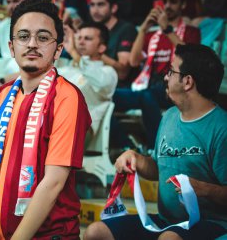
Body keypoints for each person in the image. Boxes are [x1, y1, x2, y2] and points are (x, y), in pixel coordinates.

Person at [0, 0, 91, 239]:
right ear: (11, 47)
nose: (32, 44)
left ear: (58, 49)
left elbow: (54, 182)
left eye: (43, 37)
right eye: (23, 36)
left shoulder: (67, 97)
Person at [84, 44, 227, 240]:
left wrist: (205, 189)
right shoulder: (169, 116)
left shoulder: (221, 127)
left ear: (187, 81)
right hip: (165, 221)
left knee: (169, 238)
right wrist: (136, 159)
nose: (166, 77)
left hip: (212, 224)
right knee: (96, 232)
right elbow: (158, 170)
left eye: (171, 71)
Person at [114, 0, 201, 149]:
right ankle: (128, 147)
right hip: (149, 86)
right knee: (108, 97)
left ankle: (158, 149)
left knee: (147, 95)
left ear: (182, 4)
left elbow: (191, 57)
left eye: (173, 2)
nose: (167, 6)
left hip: (175, 86)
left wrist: (167, 29)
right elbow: (133, 61)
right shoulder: (153, 34)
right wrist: (142, 30)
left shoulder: (191, 31)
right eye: (164, 2)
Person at [60, 22, 117, 140]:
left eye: (88, 39)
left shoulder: (108, 72)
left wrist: (74, 53)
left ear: (101, 47)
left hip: (84, 131)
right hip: (58, 124)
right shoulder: (68, 69)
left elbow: (101, 83)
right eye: (79, 38)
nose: (80, 42)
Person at [89, 0, 137, 86]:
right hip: (97, 84)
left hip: (119, 89)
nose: (95, 10)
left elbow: (122, 73)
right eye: (92, 5)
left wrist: (97, 53)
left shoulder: (126, 29)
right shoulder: (92, 29)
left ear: (114, 8)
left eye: (100, 4)